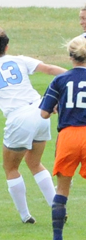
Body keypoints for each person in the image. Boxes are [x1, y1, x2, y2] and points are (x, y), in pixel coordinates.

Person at [0, 26, 67, 224]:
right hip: (40, 111)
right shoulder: (19, 60)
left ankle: (25, 216)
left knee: (10, 168)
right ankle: (55, 208)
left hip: (19, 118)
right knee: (34, 162)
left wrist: (1, 97)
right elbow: (49, 69)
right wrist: (75, 76)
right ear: (7, 47)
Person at [40, 35, 86, 240]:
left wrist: (59, 107)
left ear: (70, 57)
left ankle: (57, 237)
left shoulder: (59, 80)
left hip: (68, 136)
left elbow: (44, 113)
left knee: (62, 189)